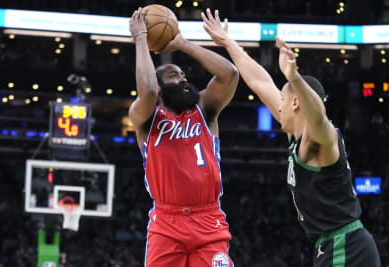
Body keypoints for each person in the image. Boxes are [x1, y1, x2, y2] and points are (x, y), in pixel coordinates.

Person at [201, 9, 381, 267]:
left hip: (346, 246)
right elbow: (260, 81)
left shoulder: (321, 138)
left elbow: (318, 116)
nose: (278, 106)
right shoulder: (295, 132)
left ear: (296, 102)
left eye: (283, 100)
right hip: (330, 245)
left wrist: (294, 77)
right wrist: (228, 42)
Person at [129, 7, 239, 267]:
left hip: (208, 220)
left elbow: (229, 74)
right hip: (166, 223)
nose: (183, 78)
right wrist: (141, 38)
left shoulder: (205, 109)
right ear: (161, 88)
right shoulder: (146, 118)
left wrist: (182, 43)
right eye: (173, 75)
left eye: (183, 74)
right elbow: (147, 90)